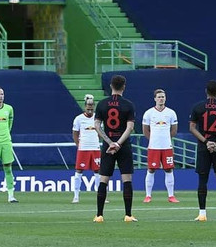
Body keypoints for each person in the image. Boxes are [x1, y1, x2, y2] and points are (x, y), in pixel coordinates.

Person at [93, 75, 137, 223]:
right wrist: (118, 143)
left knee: (104, 179)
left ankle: (99, 215)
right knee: (127, 179)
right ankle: (128, 215)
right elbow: (130, 128)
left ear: (111, 86)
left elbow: (97, 126)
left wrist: (109, 142)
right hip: (123, 145)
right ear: (124, 86)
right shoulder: (128, 104)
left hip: (108, 146)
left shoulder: (102, 104)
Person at [189, 80, 216, 222]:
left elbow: (192, 128)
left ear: (206, 91)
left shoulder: (198, 107)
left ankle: (202, 214)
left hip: (203, 147)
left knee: (203, 179)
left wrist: (206, 142)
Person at [142, 88, 179, 204]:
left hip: (167, 146)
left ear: (165, 98)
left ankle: (171, 196)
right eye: (159, 97)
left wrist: (166, 139)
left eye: (163, 96)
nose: (161, 98)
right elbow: (145, 130)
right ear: (154, 99)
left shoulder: (171, 113)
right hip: (153, 147)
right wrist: (153, 140)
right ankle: (148, 195)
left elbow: (174, 130)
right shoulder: (149, 113)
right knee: (151, 169)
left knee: (168, 169)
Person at [71, 94, 101, 204]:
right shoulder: (79, 119)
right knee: (79, 171)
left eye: (92, 105)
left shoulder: (98, 118)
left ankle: (100, 195)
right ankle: (76, 196)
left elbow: (100, 132)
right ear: (85, 106)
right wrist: (78, 145)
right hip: (83, 148)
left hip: (95, 148)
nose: (90, 107)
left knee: (97, 171)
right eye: (88, 105)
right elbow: (75, 133)